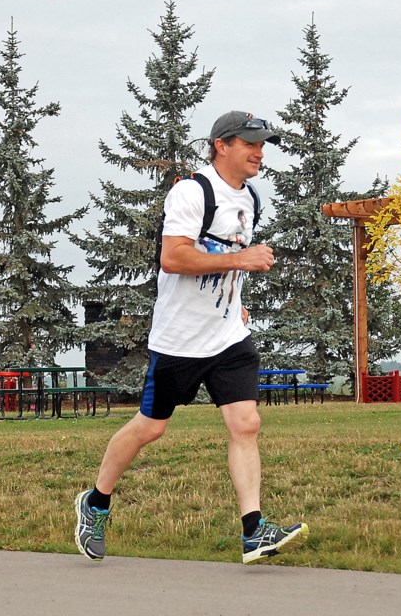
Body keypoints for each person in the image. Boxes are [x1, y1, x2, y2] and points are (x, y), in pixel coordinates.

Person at [75, 110, 309, 564]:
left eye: (263, 145)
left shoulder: (250, 198)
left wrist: (233, 295)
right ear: (222, 145)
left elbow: (226, 256)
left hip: (228, 336)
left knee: (247, 424)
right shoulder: (192, 192)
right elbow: (174, 258)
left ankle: (253, 530)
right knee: (151, 428)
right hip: (180, 340)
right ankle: (96, 502)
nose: (260, 153)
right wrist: (240, 264)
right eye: (251, 144)